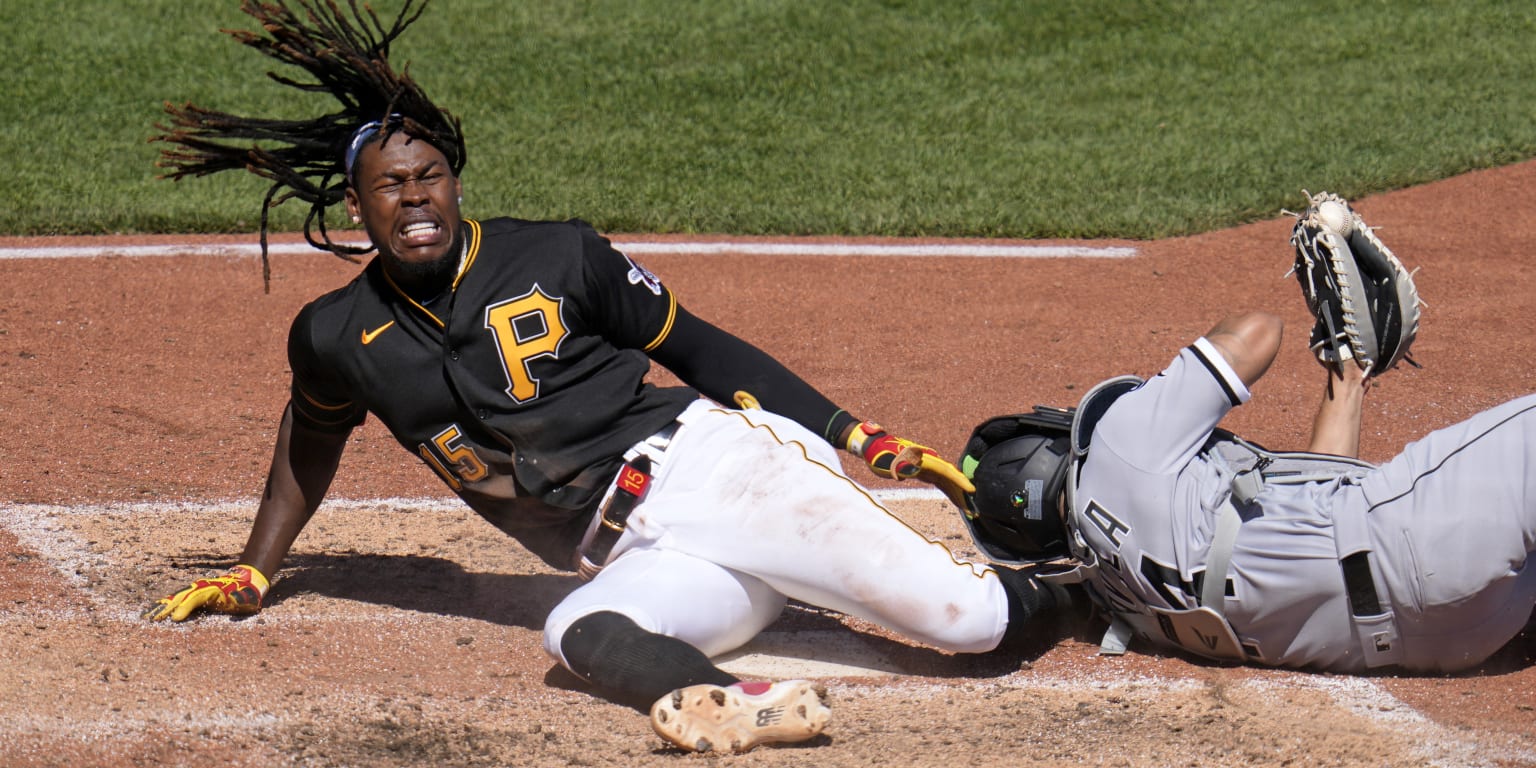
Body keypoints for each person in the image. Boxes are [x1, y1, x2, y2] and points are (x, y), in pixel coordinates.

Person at [142, 0, 1069, 754]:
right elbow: (309, 442)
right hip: (639, 554)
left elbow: (702, 350)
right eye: (392, 184)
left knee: (968, 623)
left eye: (430, 176)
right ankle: (728, 705)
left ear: (456, 183)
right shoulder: (337, 333)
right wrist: (254, 573)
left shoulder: (560, 254)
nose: (415, 197)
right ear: (360, 203)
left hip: (713, 472)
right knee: (576, 634)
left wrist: (853, 435)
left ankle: (1091, 585)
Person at [958, 309, 1536, 673]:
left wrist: (1347, 379)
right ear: (1054, 442)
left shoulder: (1127, 606)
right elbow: (1257, 330)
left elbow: (1309, 526)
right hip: (1420, 539)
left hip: (1460, 634)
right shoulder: (1117, 444)